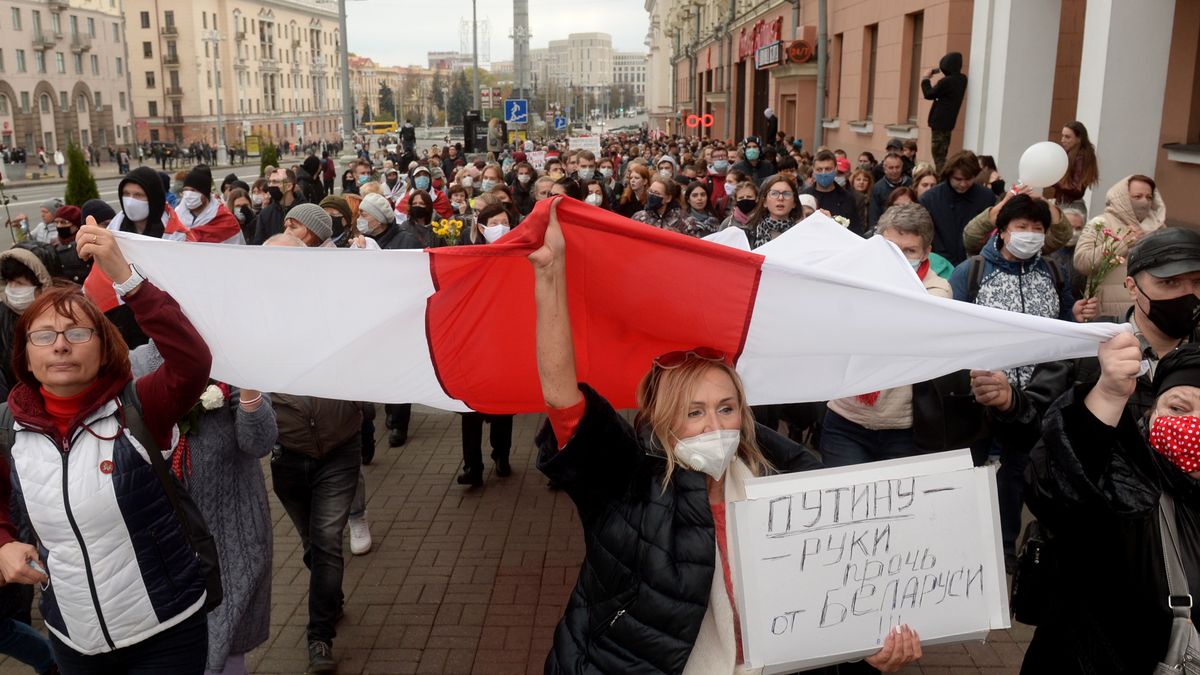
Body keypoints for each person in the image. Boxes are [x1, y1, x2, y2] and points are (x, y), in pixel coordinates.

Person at [529, 198, 923, 674]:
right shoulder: (626, 483)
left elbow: (818, 619)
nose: (715, 427)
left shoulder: (788, 486)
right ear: (663, 417)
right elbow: (563, 400)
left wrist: (870, 661)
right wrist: (550, 280)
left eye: (726, 408)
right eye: (694, 412)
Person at [0, 221, 213, 671]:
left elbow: (193, 362)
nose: (60, 346)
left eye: (78, 334)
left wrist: (127, 278)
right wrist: (2, 543)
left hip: (165, 628)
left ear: (103, 348)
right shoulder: (7, 426)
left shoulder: (138, 406)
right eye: (44, 335)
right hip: (72, 636)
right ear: (26, 354)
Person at [1021, 334, 1200, 673]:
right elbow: (1059, 487)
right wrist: (1108, 395)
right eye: (1178, 408)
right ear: (1152, 413)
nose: (1194, 426)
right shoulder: (1125, 483)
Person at [128, 342, 275, 675]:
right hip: (166, 532)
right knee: (185, 644)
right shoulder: (135, 362)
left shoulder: (231, 359)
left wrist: (249, 381)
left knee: (228, 644)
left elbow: (259, 443)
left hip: (235, 529)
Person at [264, 229, 366, 675]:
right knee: (312, 544)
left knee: (326, 543)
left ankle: (319, 635)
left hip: (339, 449)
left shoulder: (335, 308)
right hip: (288, 456)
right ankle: (331, 594)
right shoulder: (251, 321)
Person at [821, 204, 952, 466]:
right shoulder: (854, 276)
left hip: (902, 431)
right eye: (891, 249)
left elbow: (904, 325)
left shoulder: (938, 290)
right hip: (845, 421)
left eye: (910, 250)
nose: (900, 258)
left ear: (927, 252)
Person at [1073, 174, 1167, 320]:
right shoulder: (1101, 223)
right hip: (1106, 315)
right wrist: (1123, 243)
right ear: (1122, 198)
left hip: (1148, 314)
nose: (1144, 202)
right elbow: (1082, 262)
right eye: (1138, 196)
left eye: (1149, 197)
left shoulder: (1159, 229)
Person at [919, 151, 997, 265]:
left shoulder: (986, 197)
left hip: (976, 263)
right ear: (949, 175)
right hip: (939, 265)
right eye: (958, 179)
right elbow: (928, 237)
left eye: (968, 179)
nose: (963, 184)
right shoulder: (930, 199)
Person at [920, 52, 968, 173]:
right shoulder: (962, 79)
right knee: (943, 152)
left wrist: (925, 79)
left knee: (938, 155)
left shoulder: (946, 82)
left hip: (939, 122)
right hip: (949, 122)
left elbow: (928, 94)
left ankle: (942, 179)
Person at [174, 166, 245, 245]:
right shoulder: (176, 215)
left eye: (193, 190)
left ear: (204, 193)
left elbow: (237, 250)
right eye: (186, 190)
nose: (188, 194)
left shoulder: (226, 220)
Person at [803, 150, 864, 235]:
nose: (823, 173)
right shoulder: (804, 196)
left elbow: (856, 231)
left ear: (835, 169)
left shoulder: (847, 198)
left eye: (828, 169)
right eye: (819, 169)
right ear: (813, 170)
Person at [1052, 121, 1100, 207]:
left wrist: (1052, 180)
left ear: (1079, 138)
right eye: (1062, 136)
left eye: (1067, 137)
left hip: (1070, 207)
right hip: (1063, 204)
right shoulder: (1068, 154)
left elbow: (1076, 190)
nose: (1062, 140)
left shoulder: (1082, 157)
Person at [252, 168, 306, 245]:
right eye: (269, 182)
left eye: (275, 182)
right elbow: (258, 244)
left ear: (289, 186)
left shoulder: (305, 211)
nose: (270, 185)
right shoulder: (266, 213)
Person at [746, 174, 803, 247]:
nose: (780, 198)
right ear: (765, 202)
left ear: (794, 203)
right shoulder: (750, 233)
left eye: (786, 194)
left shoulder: (801, 233)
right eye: (774, 193)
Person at [48, 206, 91, 286]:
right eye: (56, 222)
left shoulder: (83, 244)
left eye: (63, 222)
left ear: (75, 225)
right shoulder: (53, 244)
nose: (59, 226)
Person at [869, 153, 912, 228]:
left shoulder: (910, 184)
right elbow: (874, 214)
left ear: (902, 167)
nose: (894, 171)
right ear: (884, 169)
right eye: (891, 168)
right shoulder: (878, 188)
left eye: (897, 167)